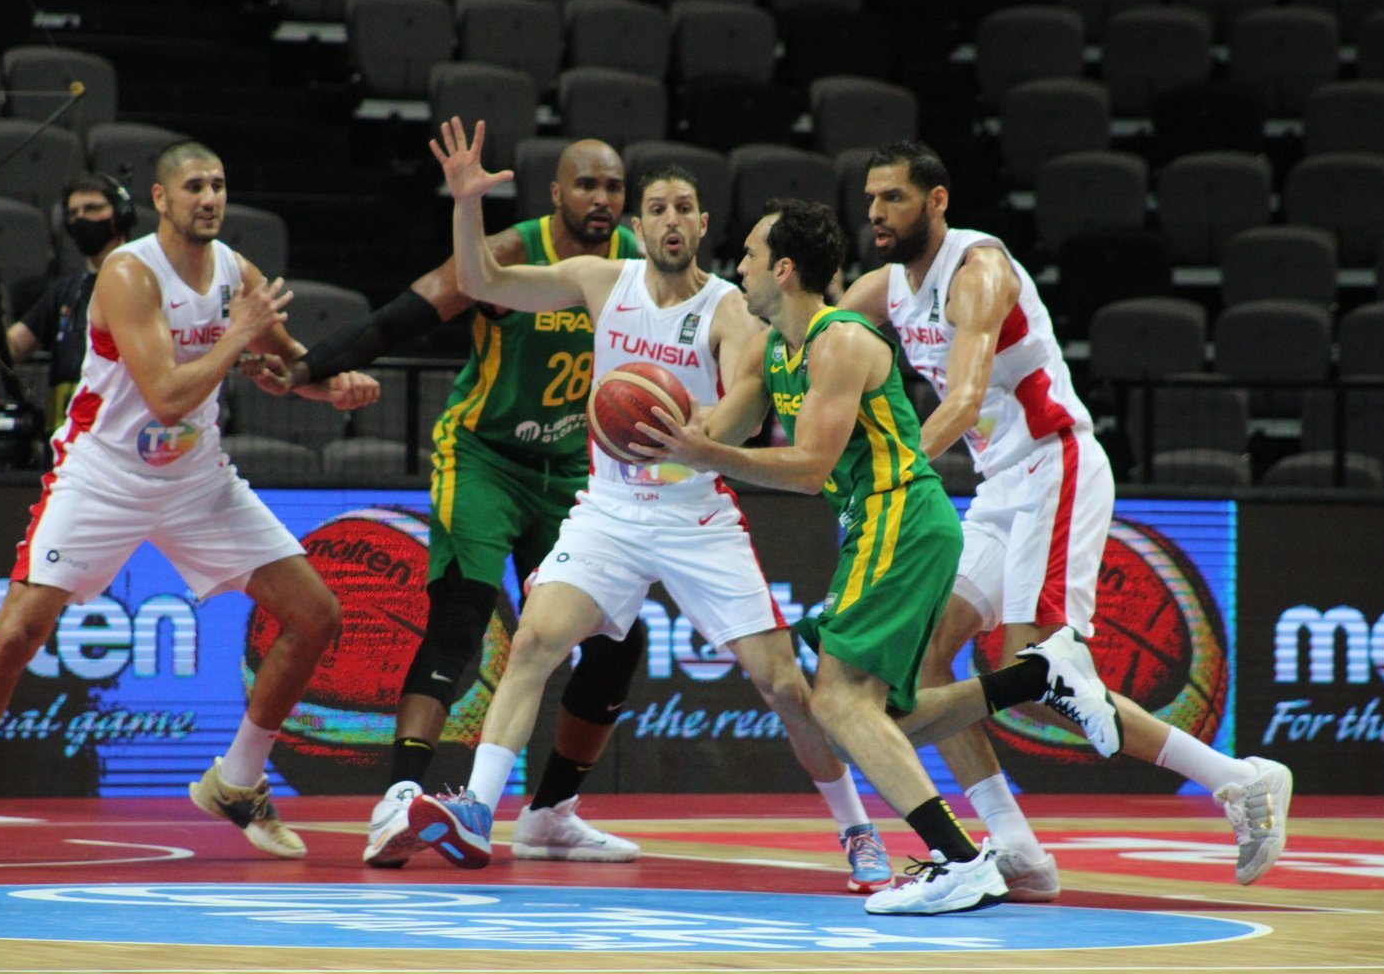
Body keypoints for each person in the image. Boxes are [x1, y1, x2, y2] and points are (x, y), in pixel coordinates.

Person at [402, 119, 1118, 896]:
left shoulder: (738, 312)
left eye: (687, 207)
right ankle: (476, 807)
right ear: (638, 227)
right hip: (611, 508)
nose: (672, 219)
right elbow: (480, 282)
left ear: (704, 226)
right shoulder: (599, 282)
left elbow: (746, 412)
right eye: (658, 207)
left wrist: (693, 440)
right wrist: (467, 204)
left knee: (791, 688)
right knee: (537, 639)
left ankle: (860, 831)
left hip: (697, 512)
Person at [633, 198, 1125, 914]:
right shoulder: (777, 350)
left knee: (836, 698)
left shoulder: (840, 339)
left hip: (901, 516)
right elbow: (715, 430)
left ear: (786, 268)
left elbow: (806, 468)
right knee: (873, 716)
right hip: (880, 525)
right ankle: (1037, 680)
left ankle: (961, 860)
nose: (736, 266)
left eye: (747, 254)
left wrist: (704, 452)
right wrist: (650, 446)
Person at [0, 140, 379, 865]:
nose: (209, 198)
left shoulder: (233, 273)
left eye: (217, 185)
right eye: (193, 187)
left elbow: (283, 364)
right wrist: (238, 335)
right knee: (21, 630)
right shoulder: (128, 274)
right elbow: (170, 394)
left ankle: (237, 782)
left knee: (316, 615)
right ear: (160, 199)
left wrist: (327, 381)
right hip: (103, 477)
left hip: (196, 480)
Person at [836, 140, 1293, 894]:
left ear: (937, 201)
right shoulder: (886, 289)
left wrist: (892, 472)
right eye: (873, 200)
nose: (879, 213)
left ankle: (1237, 780)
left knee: (1036, 671)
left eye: (895, 198)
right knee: (924, 652)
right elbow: (816, 332)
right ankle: (1016, 847)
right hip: (995, 490)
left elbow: (958, 399)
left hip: (1056, 467)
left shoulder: (979, 270)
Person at [285, 138, 650, 869]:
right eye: (586, 185)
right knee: (462, 617)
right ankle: (395, 803)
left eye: (613, 186)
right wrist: (305, 368)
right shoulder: (511, 251)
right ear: (557, 195)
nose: (602, 199)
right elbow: (401, 317)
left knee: (618, 643)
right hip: (484, 458)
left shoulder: (638, 259)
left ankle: (550, 814)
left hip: (572, 468)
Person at [6, 173, 135, 432]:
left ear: (120, 214)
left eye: (92, 208)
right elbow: (10, 350)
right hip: (67, 440)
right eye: (74, 213)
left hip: (123, 435)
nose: (81, 219)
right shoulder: (65, 290)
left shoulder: (147, 281)